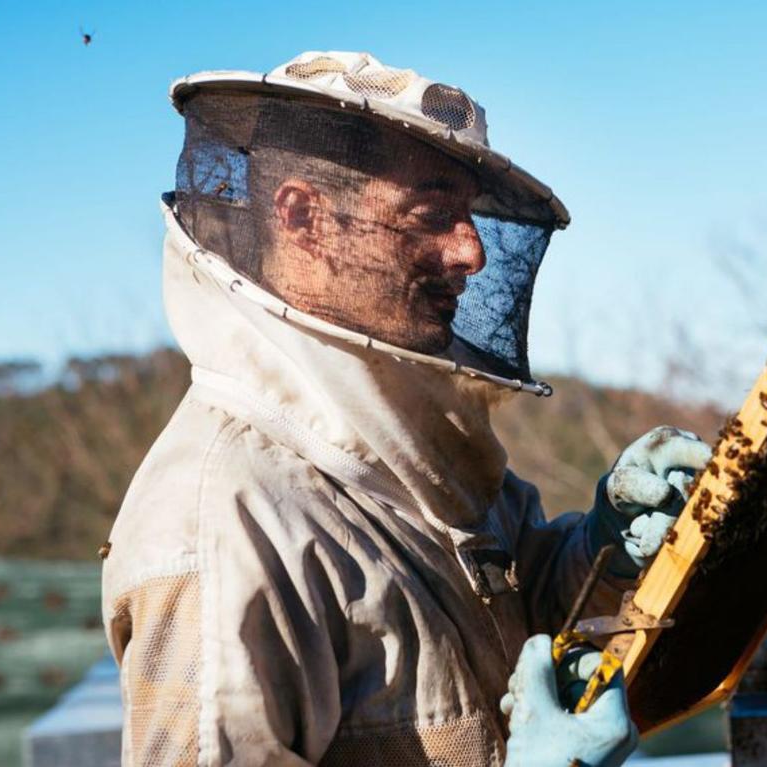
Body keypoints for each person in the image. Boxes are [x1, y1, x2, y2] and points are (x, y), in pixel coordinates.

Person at [100, 51, 711, 767]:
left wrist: (602, 549)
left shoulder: (409, 440)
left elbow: (512, 620)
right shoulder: (224, 521)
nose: (472, 251)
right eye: (432, 215)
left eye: (469, 215)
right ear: (306, 218)